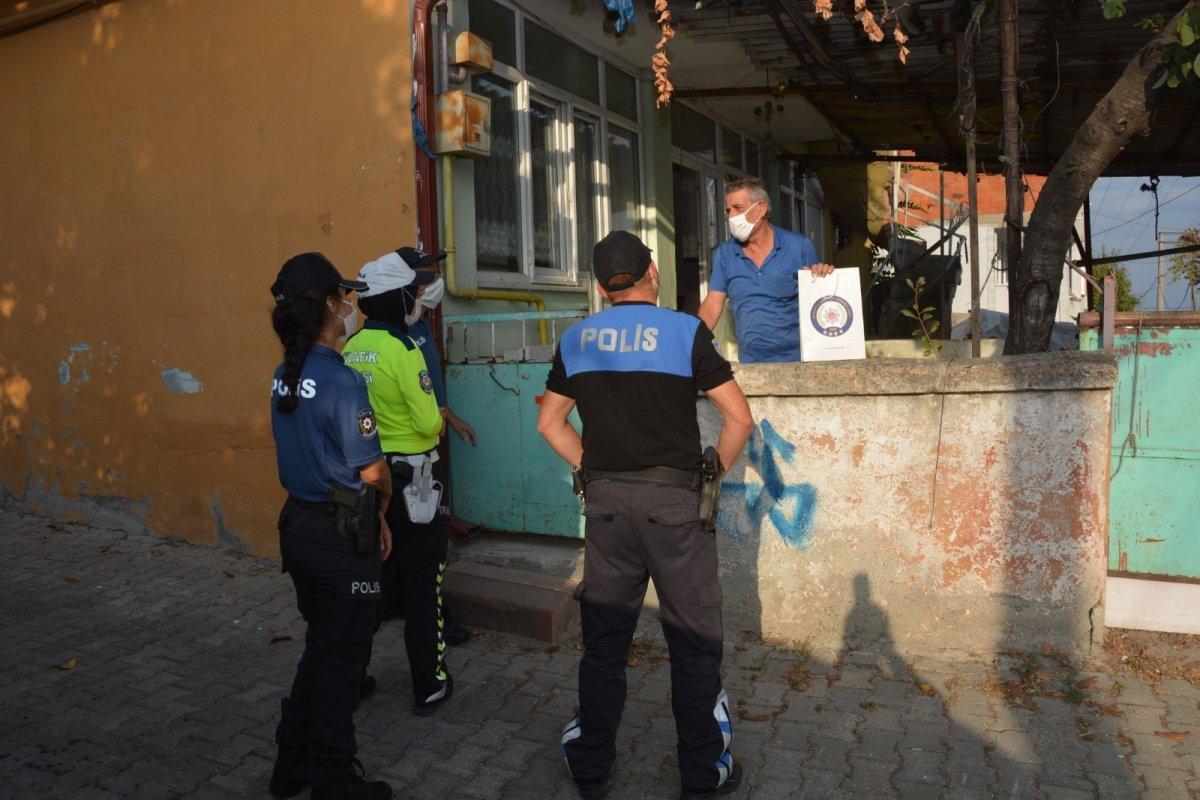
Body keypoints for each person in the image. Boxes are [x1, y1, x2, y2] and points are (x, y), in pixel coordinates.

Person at [538, 231, 755, 800]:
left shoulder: (579, 337)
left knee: (605, 642)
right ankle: (702, 772)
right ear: (652, 273)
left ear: (600, 283)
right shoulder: (687, 332)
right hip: (674, 506)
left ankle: (590, 768)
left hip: (607, 508)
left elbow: (550, 425)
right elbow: (739, 420)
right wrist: (713, 474)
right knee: (693, 641)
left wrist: (594, 468)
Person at [266, 252, 394, 800]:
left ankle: (291, 766)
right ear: (326, 306)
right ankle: (333, 781)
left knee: (321, 648)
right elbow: (372, 469)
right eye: (344, 298)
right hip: (342, 536)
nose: (350, 306)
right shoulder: (342, 383)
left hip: (299, 527)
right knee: (342, 663)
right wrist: (383, 510)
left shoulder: (284, 374)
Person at [342, 249, 455, 717]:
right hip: (414, 481)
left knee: (369, 583)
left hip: (366, 480)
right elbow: (430, 424)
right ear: (395, 299)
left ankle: (351, 677)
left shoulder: (349, 349)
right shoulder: (405, 349)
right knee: (422, 584)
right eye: (412, 291)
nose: (419, 298)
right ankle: (429, 683)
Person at [698, 177, 836, 363]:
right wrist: (691, 341)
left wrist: (823, 274)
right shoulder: (725, 253)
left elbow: (820, 300)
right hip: (751, 362)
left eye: (738, 208)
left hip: (799, 360)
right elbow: (713, 305)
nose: (731, 216)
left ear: (760, 209)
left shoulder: (798, 246)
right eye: (728, 210)